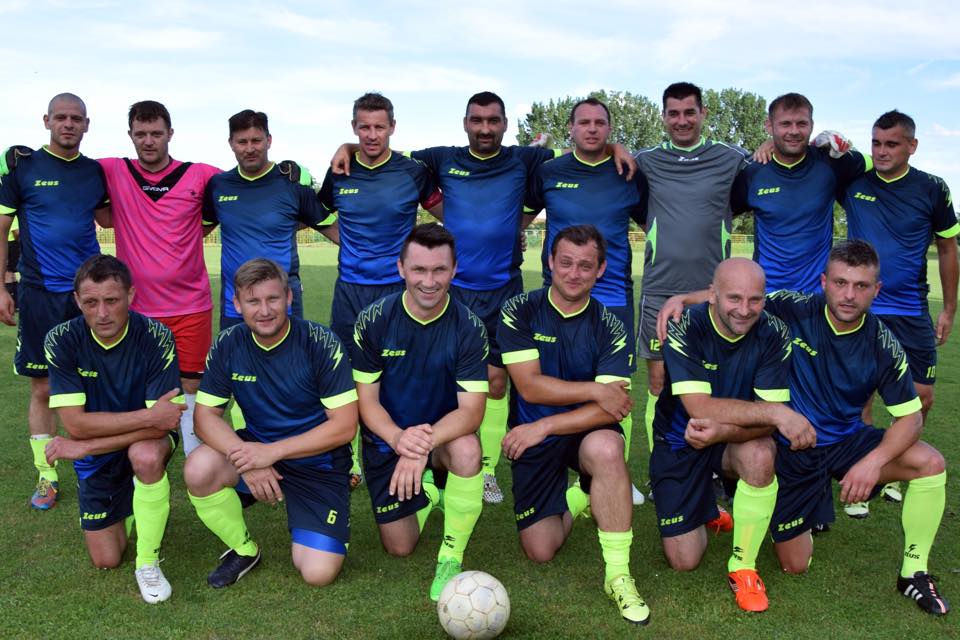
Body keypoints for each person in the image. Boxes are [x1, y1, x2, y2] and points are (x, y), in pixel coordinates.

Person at [333, 91, 635, 505]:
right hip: (455, 289)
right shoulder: (442, 159)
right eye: (477, 120)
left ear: (505, 124)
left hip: (503, 289)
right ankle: (439, 457)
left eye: (493, 120)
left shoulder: (525, 160)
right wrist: (348, 146)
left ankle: (487, 468)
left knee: (496, 381)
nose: (485, 128)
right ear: (465, 123)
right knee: (446, 379)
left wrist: (616, 146)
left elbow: (583, 151)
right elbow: (385, 152)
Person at [660, 241, 951, 616]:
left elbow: (911, 418)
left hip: (846, 441)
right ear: (824, 282)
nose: (849, 295)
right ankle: (777, 508)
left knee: (930, 463)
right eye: (841, 283)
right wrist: (685, 299)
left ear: (876, 290)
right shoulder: (793, 308)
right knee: (794, 564)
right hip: (793, 446)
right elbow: (742, 297)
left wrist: (873, 463)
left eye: (861, 286)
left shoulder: (883, 343)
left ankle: (914, 572)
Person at [498, 225, 649, 625]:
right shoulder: (520, 310)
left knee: (607, 448)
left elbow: (612, 409)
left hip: (580, 432)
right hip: (534, 435)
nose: (574, 273)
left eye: (585, 265)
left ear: (601, 270)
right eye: (565, 262)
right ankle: (582, 496)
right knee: (540, 549)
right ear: (550, 262)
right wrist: (594, 390)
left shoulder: (611, 325)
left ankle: (618, 574)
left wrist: (545, 426)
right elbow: (529, 387)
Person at [651, 257, 813, 612]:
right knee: (684, 560)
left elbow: (768, 427)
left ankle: (742, 566)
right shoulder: (684, 326)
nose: (744, 309)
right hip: (680, 440)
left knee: (760, 453)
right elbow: (699, 407)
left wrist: (728, 429)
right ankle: (706, 506)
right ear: (712, 295)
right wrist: (776, 411)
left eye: (755, 299)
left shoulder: (774, 332)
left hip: (733, 439)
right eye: (734, 298)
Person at [184, 258, 358, 588]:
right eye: (253, 301)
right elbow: (204, 418)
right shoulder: (228, 343)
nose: (264, 310)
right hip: (256, 450)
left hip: (317, 462)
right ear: (237, 304)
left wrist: (270, 453)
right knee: (198, 468)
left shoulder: (320, 343)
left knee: (317, 573)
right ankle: (243, 549)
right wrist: (246, 459)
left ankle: (311, 514)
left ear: (289, 297)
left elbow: (345, 426)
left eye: (273, 299)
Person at [351, 223, 487, 601]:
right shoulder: (373, 321)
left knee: (468, 449)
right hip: (388, 438)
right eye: (419, 269)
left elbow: (471, 412)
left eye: (439, 269)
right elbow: (367, 401)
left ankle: (451, 556)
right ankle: (429, 491)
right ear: (401, 269)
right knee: (400, 546)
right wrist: (399, 439)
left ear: (454, 270)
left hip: (442, 438)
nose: (429, 281)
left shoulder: (469, 328)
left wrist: (420, 446)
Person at [525, 97, 647, 504]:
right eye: (584, 122)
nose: (592, 129)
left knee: (615, 388)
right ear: (571, 128)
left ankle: (613, 472)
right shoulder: (550, 172)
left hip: (612, 299)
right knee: (554, 382)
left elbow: (653, 222)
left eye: (600, 123)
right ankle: (553, 465)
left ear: (609, 129)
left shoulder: (628, 172)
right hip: (557, 300)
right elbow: (521, 218)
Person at [42, 255, 184, 603]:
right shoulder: (62, 339)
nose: (102, 313)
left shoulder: (156, 337)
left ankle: (147, 561)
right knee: (106, 559)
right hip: (101, 444)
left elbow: (163, 425)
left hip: (137, 442)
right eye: (91, 302)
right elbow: (75, 424)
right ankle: (135, 502)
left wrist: (86, 446)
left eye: (112, 300)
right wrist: (147, 418)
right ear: (77, 301)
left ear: (130, 296)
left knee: (146, 456)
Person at [838, 110, 958, 517]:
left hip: (911, 310)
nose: (882, 151)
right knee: (860, 394)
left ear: (912, 146)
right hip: (861, 309)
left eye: (892, 144)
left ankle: (892, 463)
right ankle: (861, 474)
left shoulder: (932, 188)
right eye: (876, 143)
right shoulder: (854, 179)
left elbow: (948, 248)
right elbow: (810, 153)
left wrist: (950, 308)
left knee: (921, 396)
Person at [318, 92, 442, 485]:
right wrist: (350, 244)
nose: (372, 135)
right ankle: (349, 460)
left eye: (379, 127)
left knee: (400, 377)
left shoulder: (412, 171)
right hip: (350, 292)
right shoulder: (340, 170)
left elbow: (446, 214)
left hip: (396, 292)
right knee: (345, 379)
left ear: (393, 128)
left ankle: (412, 452)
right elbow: (317, 215)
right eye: (364, 127)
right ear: (354, 128)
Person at [0, 93, 110, 510]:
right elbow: (2, 226)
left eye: (76, 118)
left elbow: (110, 217)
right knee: (44, 387)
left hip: (89, 295)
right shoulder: (23, 166)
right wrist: (1, 286)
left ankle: (97, 465)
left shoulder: (94, 172)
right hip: (40, 293)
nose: (68, 124)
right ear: (46, 121)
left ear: (87, 124)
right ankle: (46, 475)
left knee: (96, 382)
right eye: (61, 117)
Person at [635, 82, 752, 463]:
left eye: (689, 112)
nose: (681, 120)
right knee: (659, 384)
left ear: (703, 113)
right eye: (673, 113)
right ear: (663, 116)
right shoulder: (646, 161)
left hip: (711, 294)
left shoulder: (731, 158)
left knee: (711, 384)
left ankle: (711, 468)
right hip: (659, 290)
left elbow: (775, 159)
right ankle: (662, 469)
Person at [97, 100, 221, 456]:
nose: (148, 141)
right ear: (130, 135)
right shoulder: (112, 170)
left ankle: (194, 456)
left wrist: (346, 148)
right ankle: (142, 456)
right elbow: (64, 162)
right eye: (141, 134)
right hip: (137, 308)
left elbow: (249, 177)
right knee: (136, 386)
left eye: (156, 133)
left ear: (170, 133)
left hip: (191, 305)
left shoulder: (201, 174)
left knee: (191, 384)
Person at [202, 109, 339, 330]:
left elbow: (335, 231)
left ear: (269, 140)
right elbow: (197, 232)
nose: (249, 148)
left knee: (291, 353)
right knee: (234, 354)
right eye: (242, 142)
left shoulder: (291, 184)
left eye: (256, 140)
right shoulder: (219, 185)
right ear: (231, 143)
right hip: (234, 303)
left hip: (283, 302)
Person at [732, 92, 870, 293]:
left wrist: (841, 142)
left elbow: (880, 161)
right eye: (785, 124)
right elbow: (722, 215)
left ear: (812, 125)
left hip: (816, 295)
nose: (794, 131)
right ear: (769, 126)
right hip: (765, 294)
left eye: (802, 124)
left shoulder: (831, 163)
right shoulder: (753, 173)